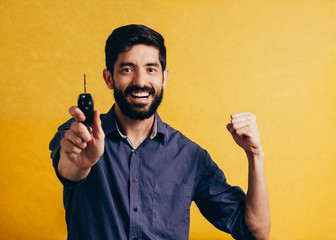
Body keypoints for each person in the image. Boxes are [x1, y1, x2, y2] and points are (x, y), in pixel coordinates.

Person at [49, 24, 270, 240]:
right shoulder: (79, 135)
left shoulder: (190, 156)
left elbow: (255, 232)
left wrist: (255, 155)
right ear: (109, 78)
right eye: (127, 69)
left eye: (150, 69)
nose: (140, 81)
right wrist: (82, 163)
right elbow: (69, 169)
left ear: (164, 78)